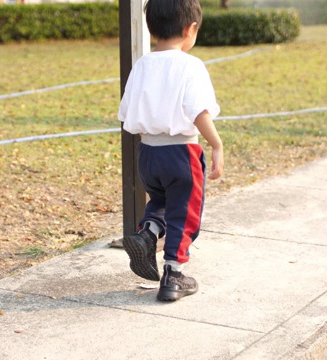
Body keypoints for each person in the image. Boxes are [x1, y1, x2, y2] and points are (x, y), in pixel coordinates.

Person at [117, 0, 224, 301]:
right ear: (191, 30)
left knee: (161, 203)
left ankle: (147, 234)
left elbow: (128, 114)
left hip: (148, 155)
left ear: (152, 30)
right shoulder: (191, 65)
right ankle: (174, 276)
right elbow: (199, 111)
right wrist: (216, 144)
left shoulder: (142, 65)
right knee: (184, 213)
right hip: (182, 155)